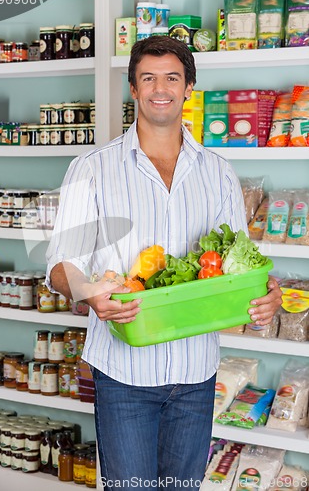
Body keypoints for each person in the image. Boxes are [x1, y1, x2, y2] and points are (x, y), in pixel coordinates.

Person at [46, 36, 282, 490]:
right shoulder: (90, 167)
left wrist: (262, 293)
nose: (160, 88)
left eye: (172, 77)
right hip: (123, 375)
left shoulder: (218, 172)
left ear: (189, 86)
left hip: (196, 376)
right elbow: (61, 266)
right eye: (148, 78)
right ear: (133, 89)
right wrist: (89, 293)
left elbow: (237, 265)